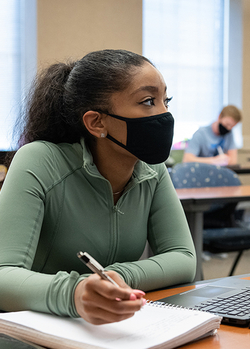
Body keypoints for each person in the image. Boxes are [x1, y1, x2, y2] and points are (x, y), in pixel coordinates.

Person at [0, 49, 196, 325]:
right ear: (96, 122)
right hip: (33, 329)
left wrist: (116, 278)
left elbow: (184, 258)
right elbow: (3, 275)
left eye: (167, 100)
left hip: (110, 328)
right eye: (149, 101)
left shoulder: (152, 170)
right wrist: (76, 293)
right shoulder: (39, 160)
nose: (164, 114)